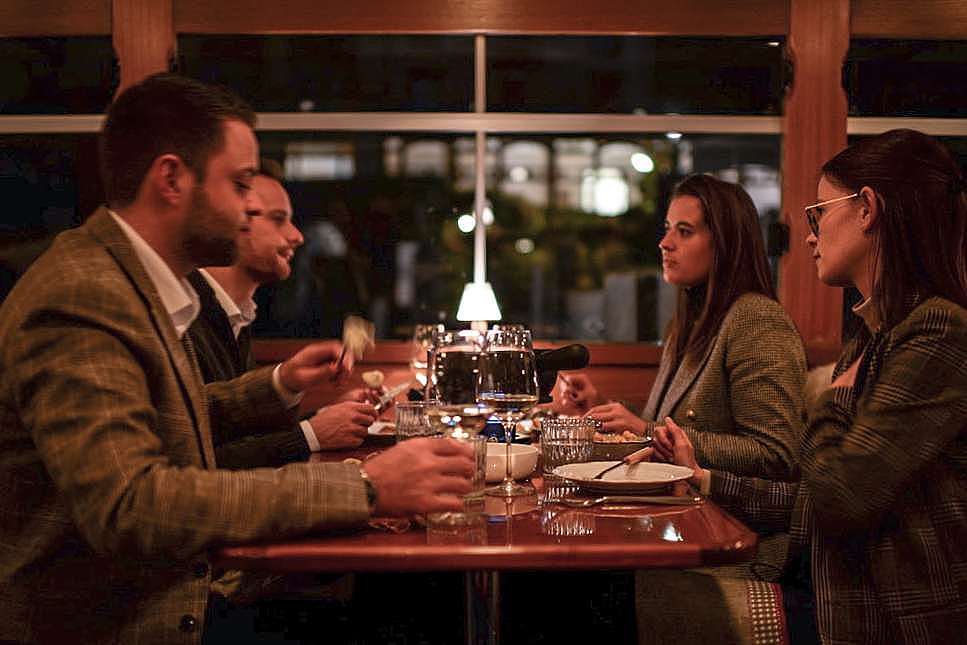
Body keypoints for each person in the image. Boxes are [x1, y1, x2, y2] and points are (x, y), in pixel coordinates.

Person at [0, 73, 474, 645]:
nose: (250, 206)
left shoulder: (133, 281)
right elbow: (131, 506)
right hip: (121, 622)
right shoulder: (85, 294)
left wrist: (274, 385)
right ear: (171, 179)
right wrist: (364, 486)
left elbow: (170, 414)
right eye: (241, 183)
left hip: (174, 595)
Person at [660, 129, 967, 644]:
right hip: (831, 590)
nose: (808, 236)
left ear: (867, 209)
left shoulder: (939, 331)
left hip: (883, 618)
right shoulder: (877, 335)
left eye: (818, 213)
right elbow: (810, 497)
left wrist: (833, 396)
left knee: (618, 601)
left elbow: (840, 497)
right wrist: (702, 480)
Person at [562, 173, 805, 484]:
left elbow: (775, 454)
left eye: (685, 231)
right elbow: (669, 422)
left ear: (725, 244)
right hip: (676, 498)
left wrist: (646, 431)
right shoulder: (690, 319)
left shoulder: (756, 318)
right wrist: (602, 406)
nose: (665, 243)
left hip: (721, 508)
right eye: (667, 229)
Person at [188, 159, 379, 469]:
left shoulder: (233, 315)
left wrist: (321, 417)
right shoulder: (186, 315)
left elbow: (234, 435)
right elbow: (198, 463)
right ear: (236, 218)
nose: (297, 236)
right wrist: (309, 436)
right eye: (279, 219)